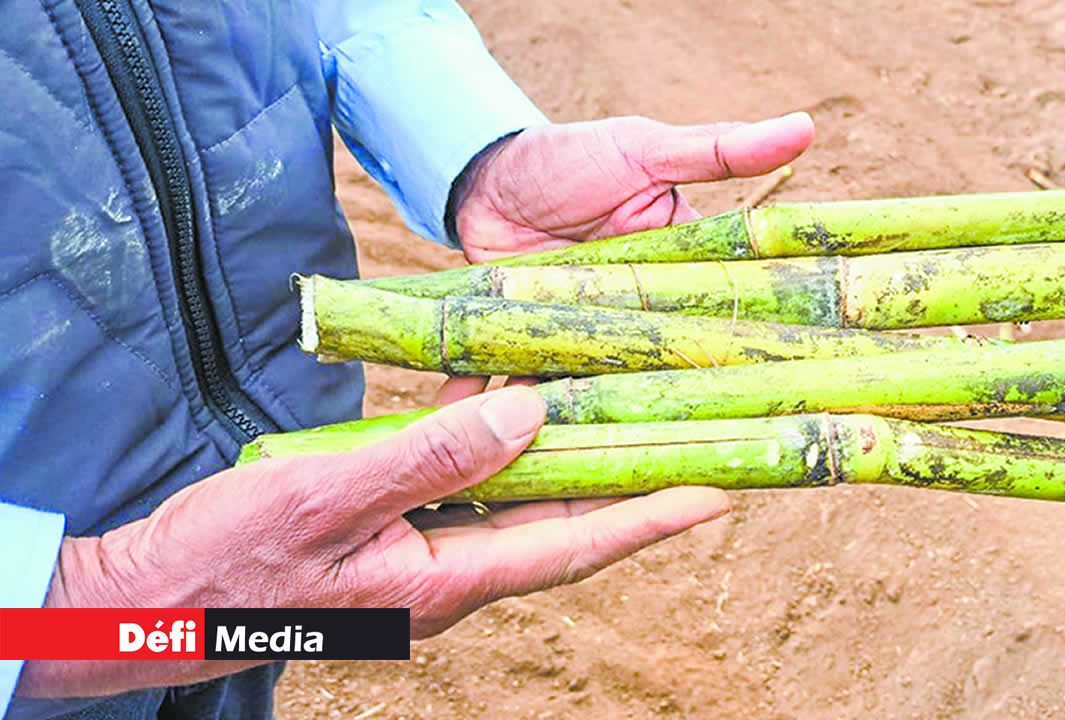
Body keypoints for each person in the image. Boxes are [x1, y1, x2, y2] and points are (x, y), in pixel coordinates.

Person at [0, 1, 813, 718]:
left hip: (280, 525)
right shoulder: (101, 605)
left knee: (231, 674)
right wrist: (78, 603)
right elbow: (125, 617)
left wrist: (470, 147)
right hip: (48, 633)